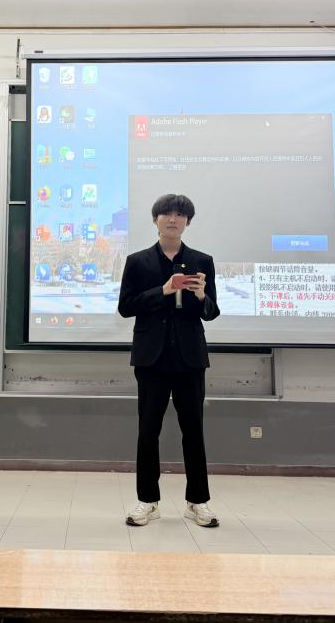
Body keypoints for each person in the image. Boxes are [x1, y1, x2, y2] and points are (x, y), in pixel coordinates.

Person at [117, 194, 221, 528]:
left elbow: (212, 312)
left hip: (190, 358)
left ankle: (198, 502)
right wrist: (162, 290)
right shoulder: (138, 261)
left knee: (194, 432)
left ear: (188, 221)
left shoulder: (202, 260)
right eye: (166, 214)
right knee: (148, 432)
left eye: (179, 214)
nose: (172, 219)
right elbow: (125, 307)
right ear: (155, 220)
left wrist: (201, 295)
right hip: (152, 359)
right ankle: (147, 501)